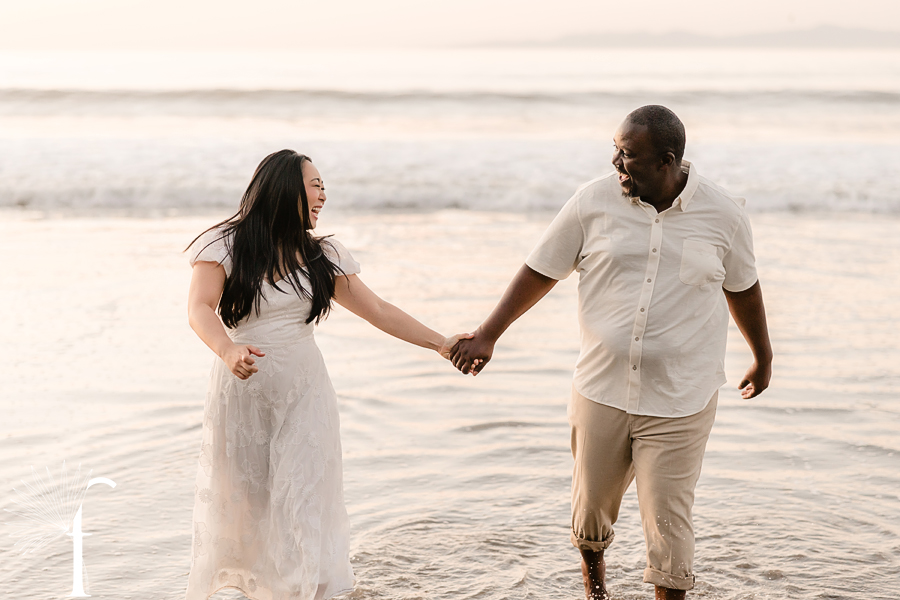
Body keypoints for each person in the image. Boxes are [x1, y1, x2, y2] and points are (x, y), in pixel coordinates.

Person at [450, 105, 772, 600]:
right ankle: (595, 592)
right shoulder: (592, 202)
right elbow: (541, 269)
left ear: (667, 161)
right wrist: (488, 333)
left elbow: (743, 288)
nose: (617, 164)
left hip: (681, 400)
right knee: (591, 510)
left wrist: (763, 356)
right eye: (616, 151)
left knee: (670, 522)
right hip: (602, 388)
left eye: (629, 155)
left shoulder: (723, 215)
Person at [184, 149, 470, 600]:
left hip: (305, 395)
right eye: (315, 185)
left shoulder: (323, 254)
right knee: (247, 506)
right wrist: (227, 349)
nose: (322, 195)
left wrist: (440, 343)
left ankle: (308, 591)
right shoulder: (225, 244)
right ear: (282, 187)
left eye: (324, 188)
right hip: (241, 397)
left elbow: (378, 310)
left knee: (304, 499)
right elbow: (199, 308)